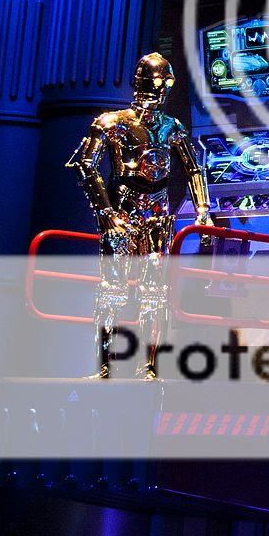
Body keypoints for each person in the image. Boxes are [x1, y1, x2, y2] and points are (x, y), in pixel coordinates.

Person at [67, 53, 215, 378]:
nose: (161, 90)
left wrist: (203, 210)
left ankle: (150, 367)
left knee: (155, 292)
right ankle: (105, 366)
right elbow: (84, 164)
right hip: (122, 210)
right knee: (113, 290)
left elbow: (193, 169)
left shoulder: (171, 126)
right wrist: (105, 211)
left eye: (166, 83)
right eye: (157, 81)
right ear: (142, 83)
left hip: (157, 214)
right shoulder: (113, 122)